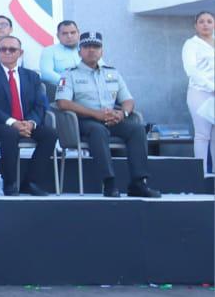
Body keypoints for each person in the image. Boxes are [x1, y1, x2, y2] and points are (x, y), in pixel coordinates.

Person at [54, 32, 161, 198]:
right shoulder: (69, 74)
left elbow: (128, 100)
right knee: (99, 130)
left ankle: (138, 183)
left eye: (95, 47)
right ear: (79, 51)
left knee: (137, 129)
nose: (91, 50)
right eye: (87, 47)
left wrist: (122, 113)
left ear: (101, 51)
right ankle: (109, 183)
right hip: (83, 121)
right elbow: (63, 103)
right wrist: (95, 114)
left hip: (111, 119)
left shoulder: (112, 73)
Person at [0, 36, 54, 196]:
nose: (7, 52)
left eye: (12, 49)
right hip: (0, 124)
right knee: (10, 133)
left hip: (27, 123)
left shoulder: (32, 76)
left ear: (20, 53)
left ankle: (31, 182)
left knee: (50, 134)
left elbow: (40, 105)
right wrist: (12, 122)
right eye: (3, 49)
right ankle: (10, 183)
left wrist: (31, 123)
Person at [182, 10, 215, 177]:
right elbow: (191, 70)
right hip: (200, 92)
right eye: (201, 21)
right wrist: (211, 85)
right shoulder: (191, 44)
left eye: (209, 21)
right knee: (203, 134)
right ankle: (200, 175)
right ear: (195, 25)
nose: (205, 24)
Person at [40, 19, 83, 87]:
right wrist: (67, 83)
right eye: (65, 33)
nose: (69, 36)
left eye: (73, 32)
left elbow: (99, 69)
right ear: (58, 36)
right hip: (62, 89)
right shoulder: (49, 51)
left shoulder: (88, 50)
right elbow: (46, 74)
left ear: (78, 34)